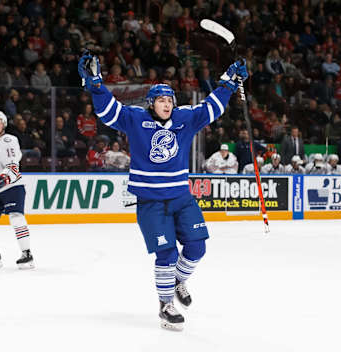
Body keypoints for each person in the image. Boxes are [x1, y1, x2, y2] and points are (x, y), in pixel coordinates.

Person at [78, 52, 247, 331]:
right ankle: (165, 304)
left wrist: (229, 82)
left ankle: (179, 279)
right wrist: (96, 85)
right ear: (151, 103)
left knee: (197, 246)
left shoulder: (184, 118)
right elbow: (108, 111)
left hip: (181, 197)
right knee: (166, 254)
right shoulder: (135, 119)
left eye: (169, 100)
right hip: (151, 202)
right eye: (161, 100)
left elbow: (211, 108)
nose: (166, 104)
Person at [0, 111, 34, 269]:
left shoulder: (10, 140)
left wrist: (4, 178)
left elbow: (14, 166)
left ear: (3, 124)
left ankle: (27, 255)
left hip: (12, 187)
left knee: (16, 217)